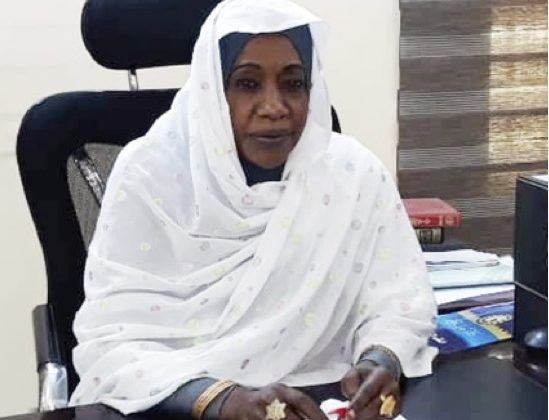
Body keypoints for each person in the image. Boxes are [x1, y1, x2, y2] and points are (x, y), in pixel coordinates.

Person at [69, 0, 438, 419]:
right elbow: (111, 343)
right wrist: (219, 399)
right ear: (212, 90)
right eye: (247, 84)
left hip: (323, 400)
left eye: (293, 84)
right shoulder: (148, 174)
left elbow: (398, 301)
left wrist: (381, 359)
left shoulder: (353, 174)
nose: (274, 106)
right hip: (176, 402)